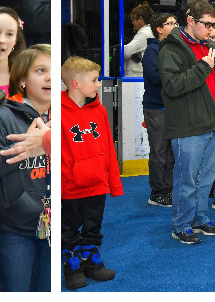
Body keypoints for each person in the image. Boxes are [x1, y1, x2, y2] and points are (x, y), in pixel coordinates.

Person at [159, 0, 215, 244]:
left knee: (206, 179)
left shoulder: (207, 47)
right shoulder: (171, 50)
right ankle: (181, 224)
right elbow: (173, 86)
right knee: (187, 180)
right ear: (191, 20)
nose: (212, 30)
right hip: (188, 127)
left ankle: (200, 219)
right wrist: (204, 67)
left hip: (211, 124)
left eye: (214, 25)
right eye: (207, 24)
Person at [0, 44, 53, 292]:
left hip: (57, 223)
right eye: (40, 70)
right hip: (15, 226)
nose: (49, 77)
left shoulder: (65, 115)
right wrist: (23, 150)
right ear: (23, 79)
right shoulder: (4, 117)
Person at [61, 55, 122, 289]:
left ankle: (92, 263)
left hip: (97, 184)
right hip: (70, 188)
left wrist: (113, 184)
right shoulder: (56, 111)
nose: (98, 85)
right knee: (69, 230)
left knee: (93, 227)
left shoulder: (101, 111)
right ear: (75, 83)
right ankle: (72, 267)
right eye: (94, 80)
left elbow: (108, 149)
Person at [142, 11, 179, 208]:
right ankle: (157, 191)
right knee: (158, 151)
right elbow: (156, 77)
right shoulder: (152, 51)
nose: (175, 25)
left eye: (175, 22)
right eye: (170, 23)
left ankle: (169, 188)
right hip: (156, 107)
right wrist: (175, 77)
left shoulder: (172, 49)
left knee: (170, 152)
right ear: (159, 29)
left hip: (171, 107)